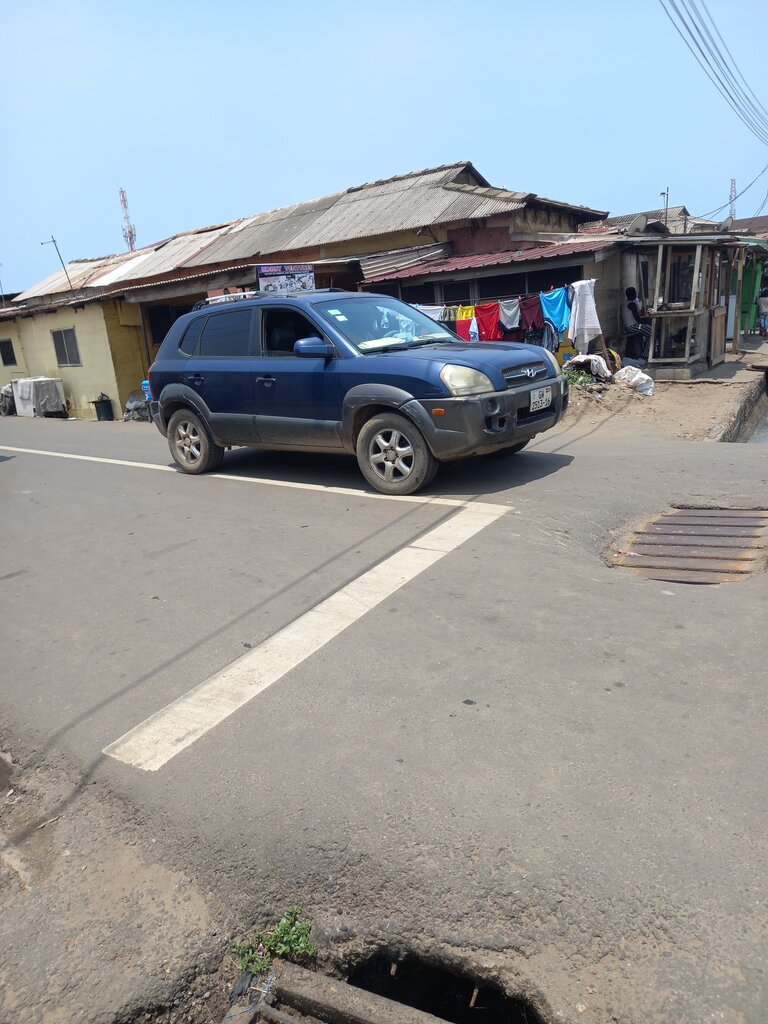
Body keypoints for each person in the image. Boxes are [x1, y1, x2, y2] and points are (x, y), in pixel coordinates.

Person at [621, 287, 652, 362]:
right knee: (651, 333)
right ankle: (646, 354)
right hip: (632, 326)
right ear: (634, 294)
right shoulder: (632, 304)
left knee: (650, 330)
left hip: (630, 326)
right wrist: (645, 324)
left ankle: (648, 352)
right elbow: (637, 318)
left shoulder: (626, 304)